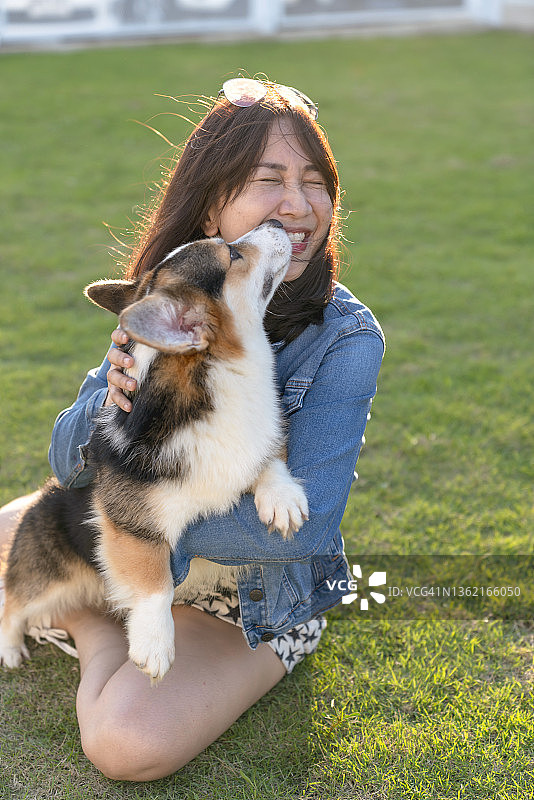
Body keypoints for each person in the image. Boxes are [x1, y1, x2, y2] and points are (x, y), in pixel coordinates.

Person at [0, 78, 385, 781]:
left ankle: (90, 619)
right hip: (133, 541)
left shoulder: (345, 339)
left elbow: (310, 523)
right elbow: (68, 456)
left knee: (126, 745)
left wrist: (140, 534)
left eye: (315, 182)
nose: (298, 207)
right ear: (215, 204)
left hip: (248, 596)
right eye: (271, 181)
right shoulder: (170, 299)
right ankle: (104, 608)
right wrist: (105, 403)